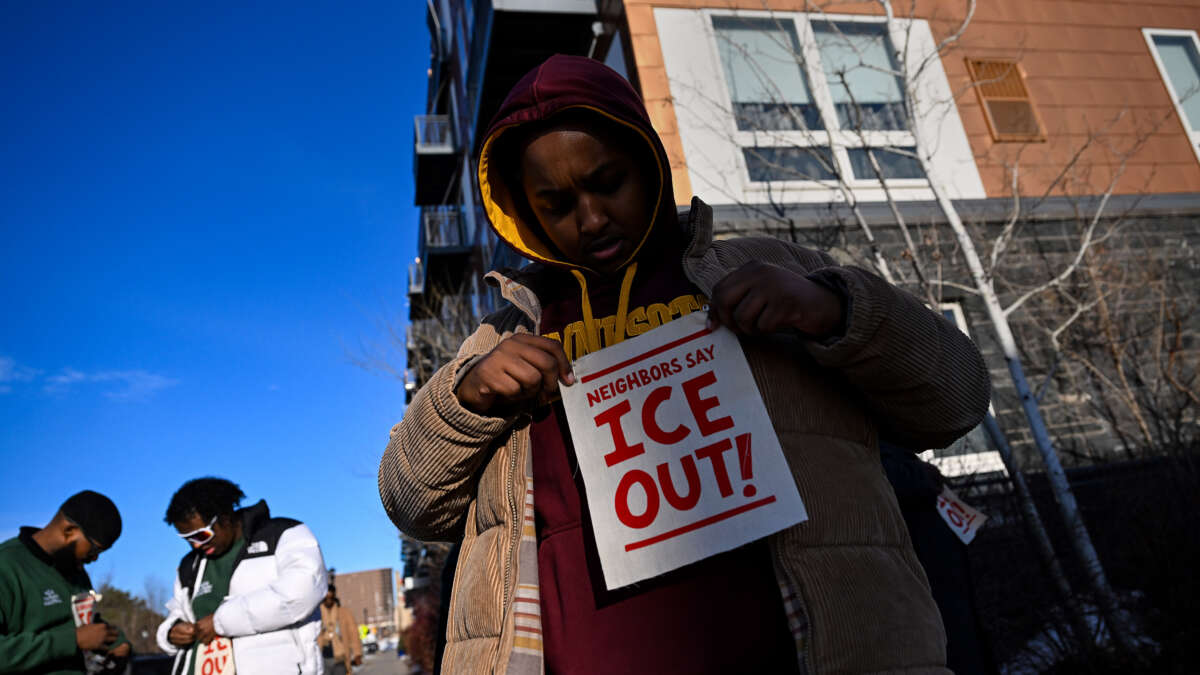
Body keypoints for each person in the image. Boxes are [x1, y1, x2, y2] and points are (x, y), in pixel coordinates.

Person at [378, 54, 991, 674]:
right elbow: (410, 503)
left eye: (607, 181)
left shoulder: (764, 269)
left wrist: (833, 310)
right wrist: (467, 402)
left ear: (647, 164)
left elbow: (957, 398)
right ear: (525, 211)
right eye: (557, 204)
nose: (590, 219)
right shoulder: (503, 333)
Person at [155, 477, 328, 675]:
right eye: (188, 538)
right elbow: (179, 610)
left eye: (201, 535)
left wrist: (221, 621)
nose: (196, 545)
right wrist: (171, 632)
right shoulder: (190, 566)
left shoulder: (282, 535)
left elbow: (301, 593)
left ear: (224, 516)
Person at [0, 490, 131, 673]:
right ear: (69, 531)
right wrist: (72, 641)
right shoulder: (7, 565)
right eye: (94, 550)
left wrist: (117, 642)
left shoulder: (76, 571)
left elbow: (85, 621)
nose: (94, 559)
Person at [318, 584, 362, 675]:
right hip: (322, 659)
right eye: (326, 598)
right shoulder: (317, 614)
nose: (328, 600)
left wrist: (357, 653)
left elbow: (354, 633)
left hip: (340, 657)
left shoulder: (344, 612)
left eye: (331, 597)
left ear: (334, 596)